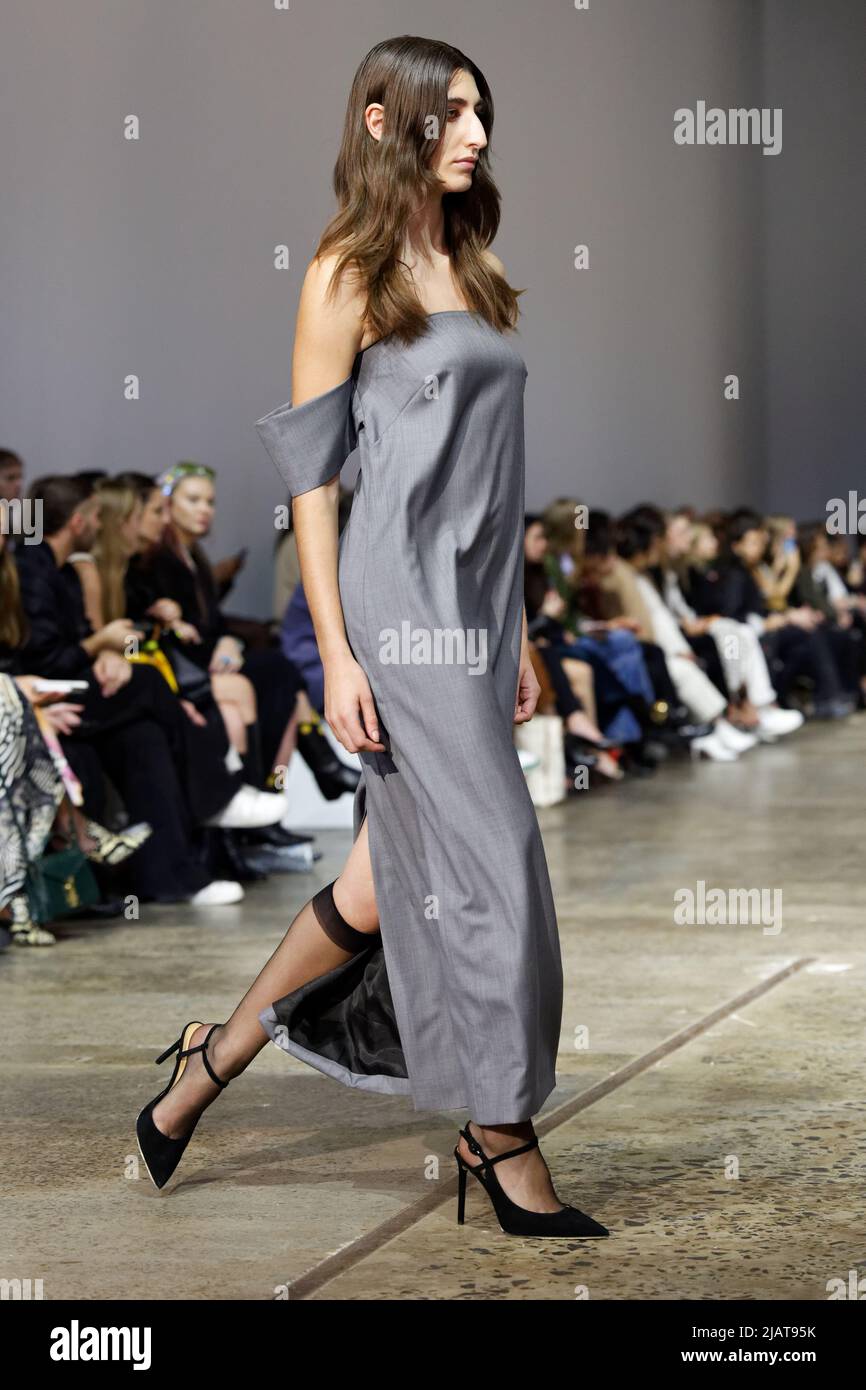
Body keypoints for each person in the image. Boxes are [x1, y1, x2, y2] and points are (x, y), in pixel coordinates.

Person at [136, 36, 608, 1238]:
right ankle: (498, 1132)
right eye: (451, 113)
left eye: (481, 113)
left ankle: (202, 1069)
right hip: (393, 608)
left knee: (379, 885)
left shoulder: (475, 264)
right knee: (497, 868)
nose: (477, 134)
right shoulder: (347, 269)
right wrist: (338, 652)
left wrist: (513, 630)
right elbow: (312, 482)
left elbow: (496, 481)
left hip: (476, 605)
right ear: (384, 121)